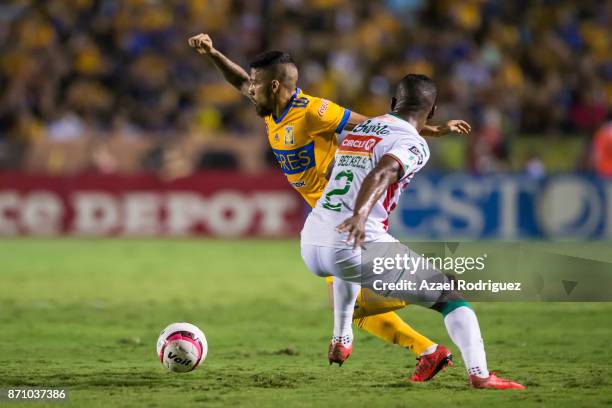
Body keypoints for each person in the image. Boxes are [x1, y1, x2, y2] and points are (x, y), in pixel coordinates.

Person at [188, 33, 471, 380]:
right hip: (328, 218)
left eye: (256, 84)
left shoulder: (313, 110)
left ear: (275, 85)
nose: (249, 89)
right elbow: (239, 80)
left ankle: (438, 298)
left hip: (348, 213)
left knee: (356, 307)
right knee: (353, 309)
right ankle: (428, 350)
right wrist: (214, 52)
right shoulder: (270, 108)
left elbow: (372, 125)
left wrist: (428, 129)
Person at [300, 74, 525, 389]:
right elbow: (383, 172)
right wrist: (361, 216)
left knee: (348, 267)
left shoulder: (362, 128)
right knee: (450, 293)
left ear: (393, 103)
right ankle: (481, 375)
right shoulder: (414, 144)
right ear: (432, 111)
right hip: (353, 239)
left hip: (311, 239)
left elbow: (334, 169)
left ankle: (341, 338)